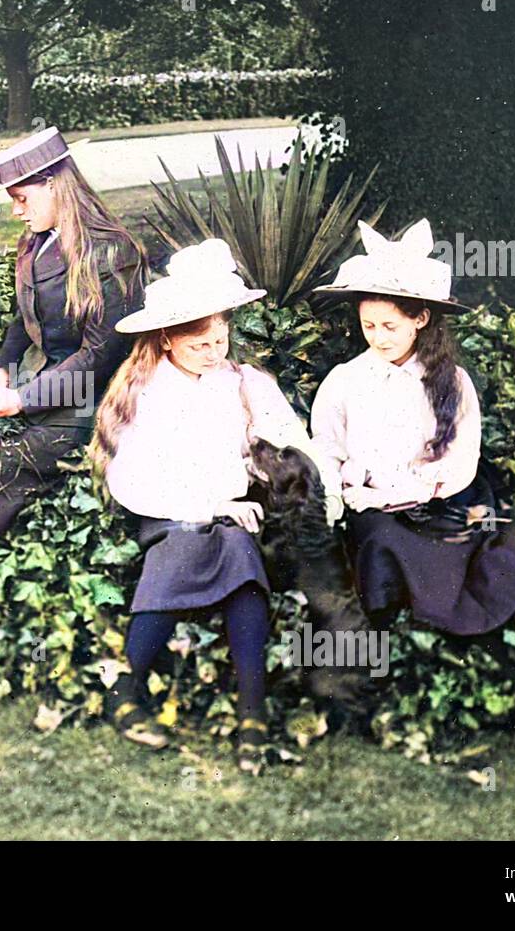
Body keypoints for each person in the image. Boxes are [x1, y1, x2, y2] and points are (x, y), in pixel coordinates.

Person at [89, 238, 343, 774]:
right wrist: (208, 504)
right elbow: (131, 477)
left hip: (232, 513)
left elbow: (290, 438)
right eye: (199, 345)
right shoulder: (147, 392)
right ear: (166, 341)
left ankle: (253, 711)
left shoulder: (243, 383)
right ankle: (127, 689)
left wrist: (305, 476)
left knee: (239, 554)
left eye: (220, 338)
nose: (213, 352)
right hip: (164, 509)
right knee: (184, 546)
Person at [309, 218, 515, 748]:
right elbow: (325, 451)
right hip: (372, 510)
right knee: (377, 545)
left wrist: (422, 487)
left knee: (477, 564)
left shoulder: (451, 382)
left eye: (389, 327)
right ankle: (378, 691)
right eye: (368, 325)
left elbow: (461, 458)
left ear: (421, 319)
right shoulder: (345, 382)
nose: (377, 338)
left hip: (438, 502)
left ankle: (511, 690)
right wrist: (351, 488)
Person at [0, 127, 147, 592]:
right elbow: (24, 317)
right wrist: (2, 368)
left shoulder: (112, 253)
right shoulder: (36, 241)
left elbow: (100, 357)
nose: (16, 212)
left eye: (21, 198)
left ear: (55, 184)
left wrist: (21, 399)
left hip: (91, 403)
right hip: (37, 382)